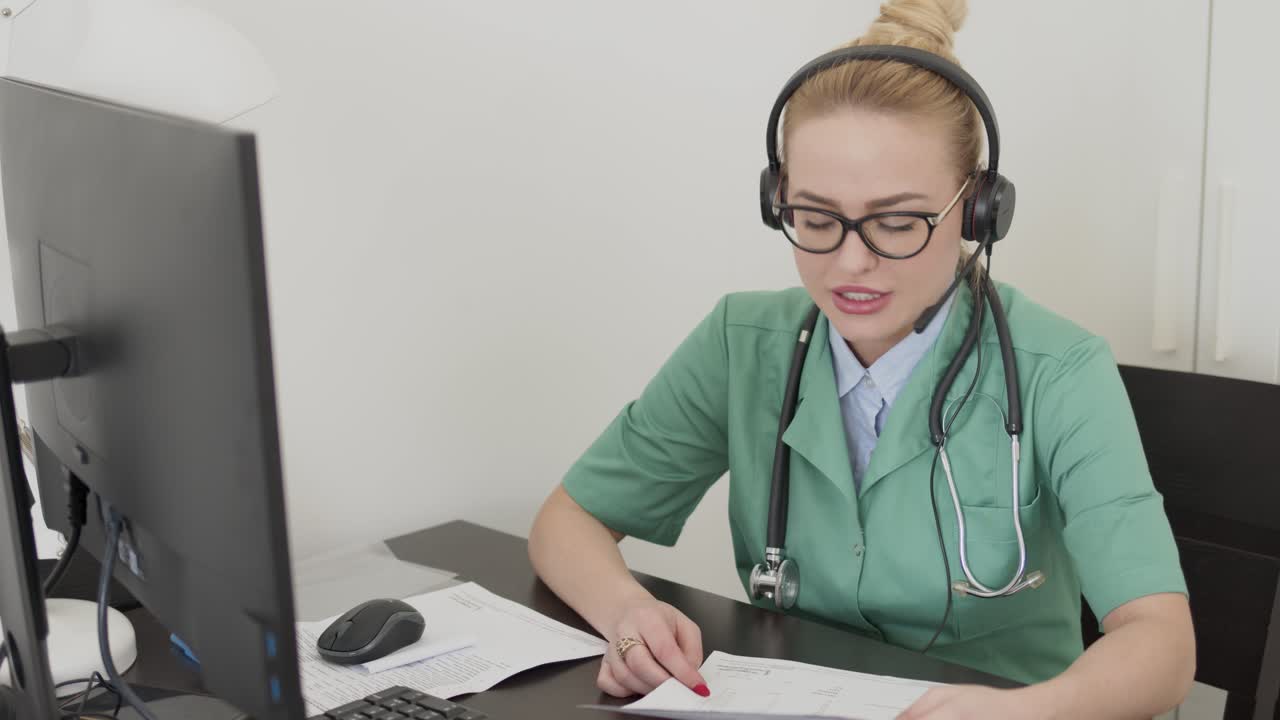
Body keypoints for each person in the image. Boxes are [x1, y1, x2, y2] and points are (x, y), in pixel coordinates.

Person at [528, 1, 1196, 717]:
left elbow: (1160, 642)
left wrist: (1022, 712)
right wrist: (627, 610)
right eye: (815, 219)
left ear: (977, 208)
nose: (851, 263)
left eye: (897, 222)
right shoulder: (739, 341)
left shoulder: (1061, 370)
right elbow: (568, 522)